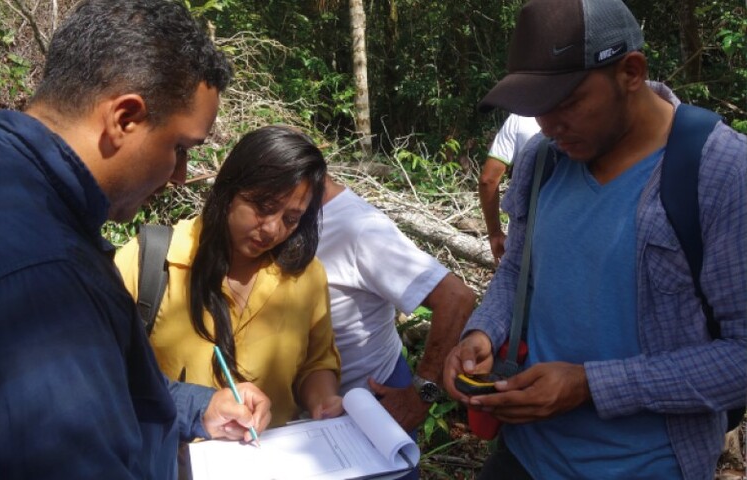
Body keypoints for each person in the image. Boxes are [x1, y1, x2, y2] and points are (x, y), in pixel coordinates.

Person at [0, 1, 272, 478]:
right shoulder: (44, 282)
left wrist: (198, 408)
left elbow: (98, 388)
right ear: (125, 118)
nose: (179, 176)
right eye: (180, 148)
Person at [442, 0, 747, 479]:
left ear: (631, 71)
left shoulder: (720, 172)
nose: (548, 125)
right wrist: (483, 331)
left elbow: (741, 355)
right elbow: (518, 272)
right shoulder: (543, 161)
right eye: (537, 109)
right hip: (524, 455)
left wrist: (590, 385)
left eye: (566, 103)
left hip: (645, 466)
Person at [115, 126, 343, 428]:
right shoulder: (150, 262)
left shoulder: (306, 277)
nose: (273, 229)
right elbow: (103, 373)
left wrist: (322, 400)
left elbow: (316, 362)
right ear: (229, 189)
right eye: (263, 207)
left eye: (291, 218)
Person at [317, 174, 476, 479]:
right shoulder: (286, 216)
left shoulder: (359, 228)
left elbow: (456, 298)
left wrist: (422, 393)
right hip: (316, 406)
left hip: (371, 402)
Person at [479, 114, 540, 262]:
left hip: (524, 234)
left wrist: (495, 233)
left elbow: (488, 180)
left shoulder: (520, 117)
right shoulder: (583, 118)